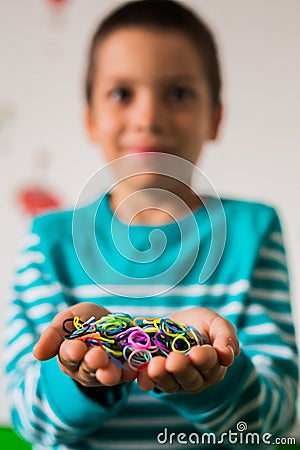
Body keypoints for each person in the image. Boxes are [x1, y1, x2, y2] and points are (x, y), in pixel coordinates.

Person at [3, 1, 298, 449]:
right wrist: (80, 375)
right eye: (122, 93)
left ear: (215, 117)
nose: (148, 118)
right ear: (89, 119)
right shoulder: (50, 241)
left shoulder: (253, 231)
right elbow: (28, 420)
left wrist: (216, 377)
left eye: (178, 93)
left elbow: (277, 425)